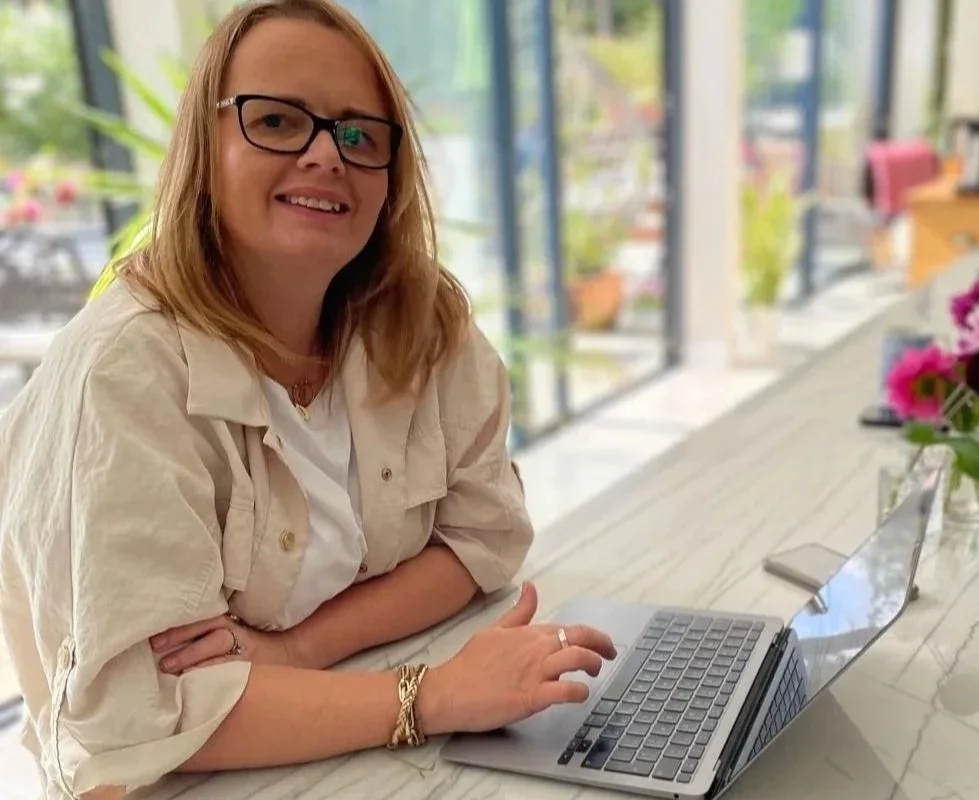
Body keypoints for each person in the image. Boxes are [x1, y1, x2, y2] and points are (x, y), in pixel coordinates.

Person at [0, 2, 616, 798]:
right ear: (205, 146)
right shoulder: (124, 373)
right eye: (280, 121)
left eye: (361, 135)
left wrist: (296, 653)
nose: (328, 155)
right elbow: (145, 717)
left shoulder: (422, 321)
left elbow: (484, 537)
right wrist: (427, 696)